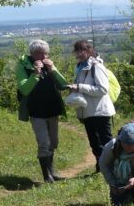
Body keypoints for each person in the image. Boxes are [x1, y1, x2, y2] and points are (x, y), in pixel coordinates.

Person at [16, 39, 68, 183]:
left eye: (45, 53)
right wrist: (35, 74)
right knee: (43, 143)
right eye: (39, 54)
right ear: (32, 54)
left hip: (52, 109)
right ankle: (46, 176)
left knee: (53, 142)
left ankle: (52, 171)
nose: (42, 57)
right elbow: (24, 89)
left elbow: (64, 85)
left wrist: (54, 70)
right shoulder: (24, 67)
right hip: (36, 111)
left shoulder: (49, 65)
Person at [67, 40, 115, 172]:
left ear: (89, 50)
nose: (80, 53)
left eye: (82, 50)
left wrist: (79, 87)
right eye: (77, 50)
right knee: (94, 142)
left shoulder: (96, 66)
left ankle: (111, 167)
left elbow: (102, 89)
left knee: (105, 141)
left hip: (100, 111)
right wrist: (75, 88)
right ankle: (101, 167)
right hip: (88, 111)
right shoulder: (80, 66)